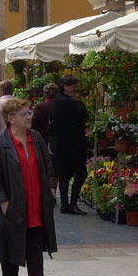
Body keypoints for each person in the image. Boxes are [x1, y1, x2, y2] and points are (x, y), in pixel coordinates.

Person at [0, 97, 59, 276]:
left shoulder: (36, 138)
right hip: (13, 203)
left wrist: (52, 189)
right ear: (10, 118)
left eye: (29, 113)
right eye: (24, 114)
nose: (29, 117)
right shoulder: (0, 142)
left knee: (35, 244)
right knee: (10, 245)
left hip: (36, 202)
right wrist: (3, 202)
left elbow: (48, 165)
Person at [50, 74, 89, 215]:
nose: (74, 88)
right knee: (81, 173)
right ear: (65, 86)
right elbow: (83, 113)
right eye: (72, 85)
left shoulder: (58, 100)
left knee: (65, 175)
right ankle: (72, 204)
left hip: (61, 144)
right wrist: (77, 100)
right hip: (72, 145)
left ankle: (65, 205)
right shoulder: (66, 101)